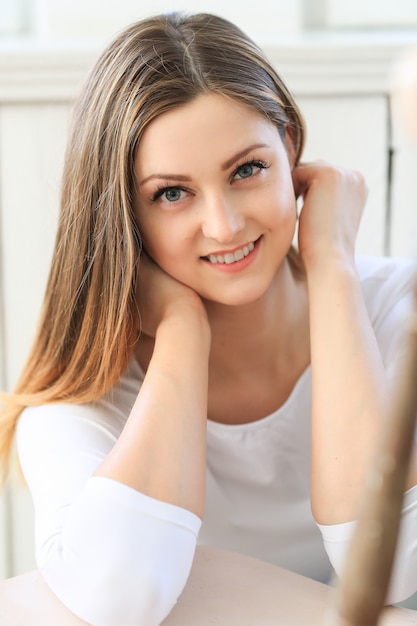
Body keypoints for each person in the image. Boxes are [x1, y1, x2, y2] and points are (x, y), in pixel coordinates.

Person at [0, 11, 417, 626]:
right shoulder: (82, 402)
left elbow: (393, 563)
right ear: (123, 216)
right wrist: (181, 332)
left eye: (247, 170)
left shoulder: (395, 312)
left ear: (290, 149)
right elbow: (118, 599)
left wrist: (332, 265)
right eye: (172, 193)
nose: (224, 225)